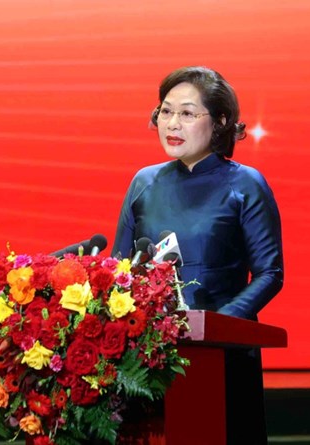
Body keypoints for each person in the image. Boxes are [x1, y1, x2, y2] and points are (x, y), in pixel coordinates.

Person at [112, 66, 284, 445]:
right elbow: (118, 271)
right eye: (166, 111)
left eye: (188, 113)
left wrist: (214, 328)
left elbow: (270, 273)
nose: (172, 123)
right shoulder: (144, 182)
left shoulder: (245, 184)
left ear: (220, 121)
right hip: (147, 358)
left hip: (221, 354)